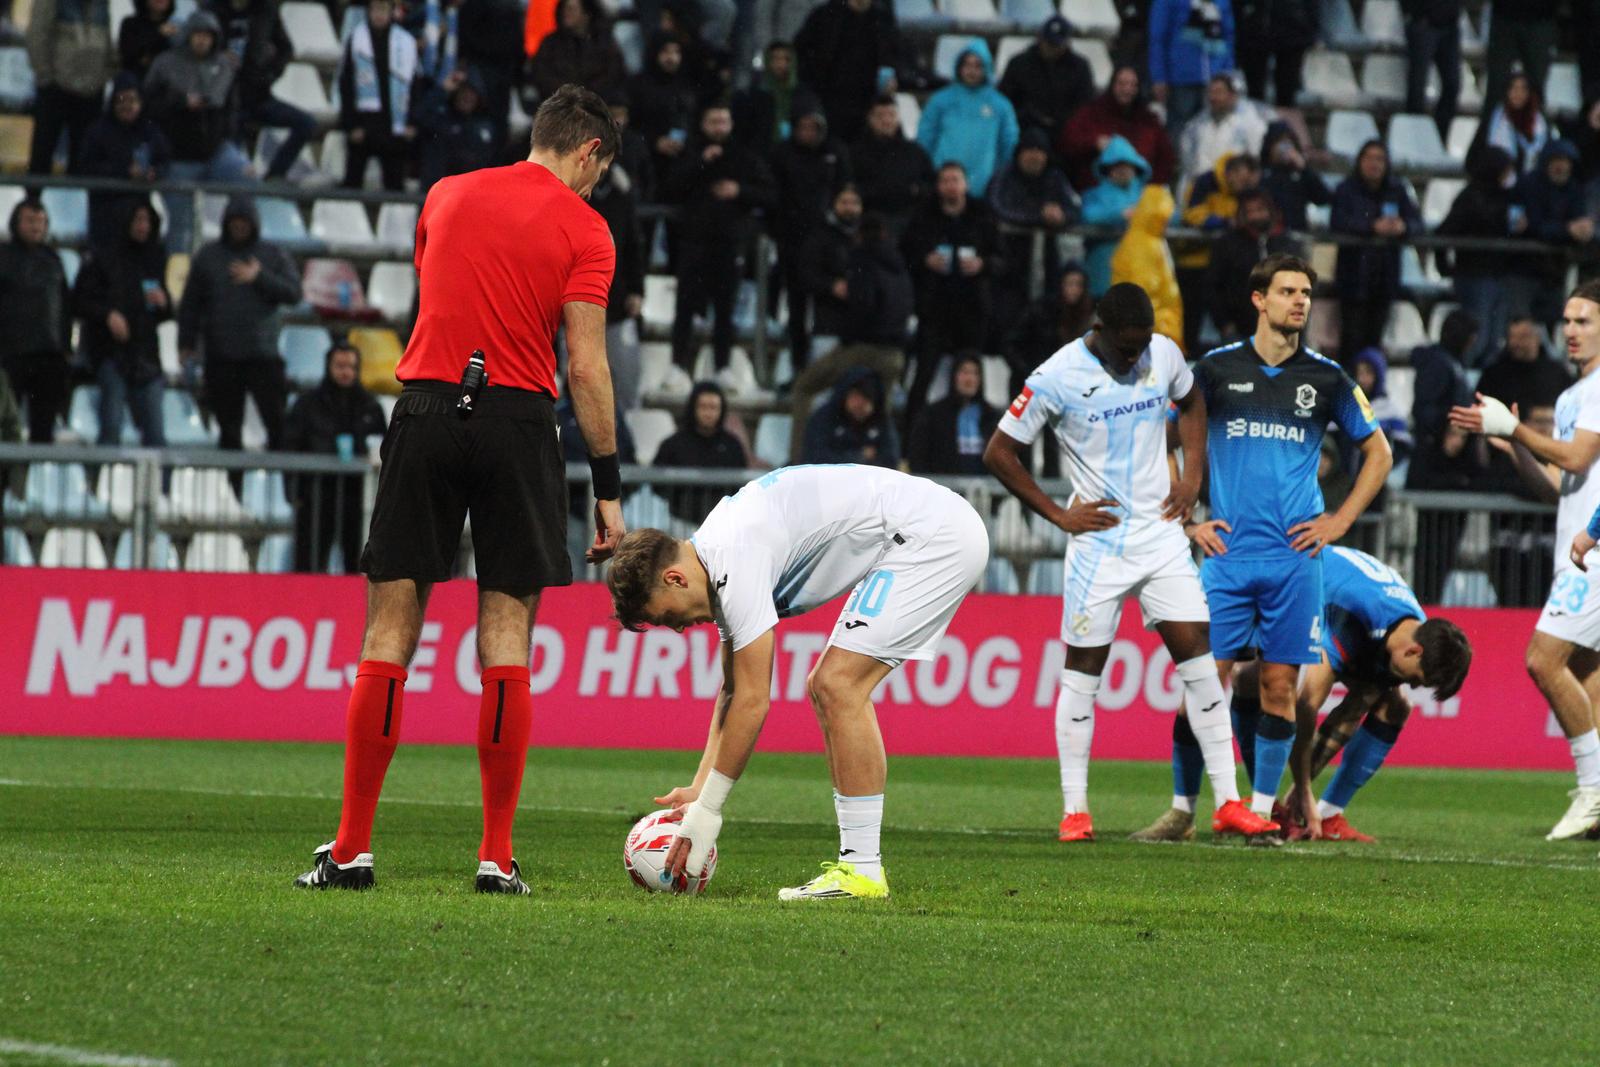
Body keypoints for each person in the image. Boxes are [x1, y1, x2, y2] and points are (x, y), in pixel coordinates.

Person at [294, 85, 626, 895]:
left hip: (429, 406)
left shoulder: (446, 194)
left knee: (388, 631)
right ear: (588, 151)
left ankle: (351, 849)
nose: (596, 189)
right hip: (519, 421)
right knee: (506, 637)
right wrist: (607, 484)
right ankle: (495, 855)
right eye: (601, 173)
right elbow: (585, 365)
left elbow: (442, 298)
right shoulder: (586, 229)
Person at [606, 463, 989, 899]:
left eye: (667, 617)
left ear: (674, 578)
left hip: (933, 535)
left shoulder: (734, 557)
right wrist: (699, 789)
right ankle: (860, 870)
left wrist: (709, 810)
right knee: (831, 686)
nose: (678, 628)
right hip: (921, 530)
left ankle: (861, 871)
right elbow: (732, 690)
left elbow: (753, 701)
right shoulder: (716, 557)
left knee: (837, 685)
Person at [984, 282, 1275, 842]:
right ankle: (1075, 811)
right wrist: (1058, 514)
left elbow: (1192, 402)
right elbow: (999, 451)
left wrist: (1191, 477)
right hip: (1100, 544)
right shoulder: (1055, 376)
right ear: (1099, 330)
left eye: (1142, 345)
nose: (1136, 356)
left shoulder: (1162, 352)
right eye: (1126, 348)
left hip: (1161, 535)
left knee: (1201, 661)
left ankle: (1228, 803)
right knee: (1083, 673)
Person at [1132, 254, 1391, 840]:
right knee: (1203, 684)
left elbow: (1379, 453)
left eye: (1306, 293)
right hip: (1227, 557)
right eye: (1288, 291)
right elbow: (1159, 436)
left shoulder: (1327, 378)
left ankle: (1262, 811)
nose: (1300, 302)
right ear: (1259, 299)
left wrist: (1340, 520)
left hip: (1295, 560)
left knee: (1279, 687)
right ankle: (1181, 811)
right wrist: (1187, 519)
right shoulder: (1214, 371)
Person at [1450, 282, 1600, 842]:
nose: (1571, 331)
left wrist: (1515, 428)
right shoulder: (1570, 397)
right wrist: (1514, 445)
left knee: (1542, 659)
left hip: (1595, 554)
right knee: (1588, 677)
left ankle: (1592, 790)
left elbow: (1578, 456)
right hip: (1575, 552)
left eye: (1584, 321)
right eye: (1567, 320)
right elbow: (1559, 484)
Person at [1231, 547, 1472, 841]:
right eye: (1417, 679)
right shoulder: (1357, 617)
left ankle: (1328, 813)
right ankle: (1265, 803)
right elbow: (1307, 705)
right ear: (1413, 651)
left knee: (1396, 705)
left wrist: (1299, 791)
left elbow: (1351, 712)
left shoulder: (1410, 633)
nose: (1413, 686)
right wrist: (1304, 789)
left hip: (1341, 594)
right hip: (1295, 581)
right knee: (1250, 679)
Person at [178, 195, 300, 456]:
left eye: (244, 222)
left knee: (278, 427)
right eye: (235, 221)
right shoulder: (208, 256)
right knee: (228, 431)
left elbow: (293, 293)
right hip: (222, 357)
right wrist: (185, 343)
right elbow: (190, 304)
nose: (239, 226)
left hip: (263, 356)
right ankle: (232, 482)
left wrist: (260, 277)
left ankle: (284, 482)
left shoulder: (272, 254)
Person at [663, 102, 775, 376]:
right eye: (714, 122)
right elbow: (669, 187)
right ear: (703, 124)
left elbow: (770, 195)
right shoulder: (689, 152)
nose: (719, 128)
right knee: (685, 308)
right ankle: (677, 366)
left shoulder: (744, 157)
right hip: (694, 242)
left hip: (729, 243)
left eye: (723, 121)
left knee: (725, 310)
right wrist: (700, 162)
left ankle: (722, 367)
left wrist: (739, 191)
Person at [899, 161, 1002, 420]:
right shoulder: (924, 215)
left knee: (971, 377)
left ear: (965, 184)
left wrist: (982, 264)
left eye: (955, 180)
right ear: (938, 186)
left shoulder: (982, 215)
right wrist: (925, 259)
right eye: (945, 181)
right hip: (934, 308)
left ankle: (974, 435)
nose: (950, 186)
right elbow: (905, 253)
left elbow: (1004, 259)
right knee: (923, 376)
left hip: (972, 309)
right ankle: (910, 438)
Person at [143, 11, 247, 251]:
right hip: (177, 155)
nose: (202, 40)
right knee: (182, 225)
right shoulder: (165, 64)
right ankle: (179, 268)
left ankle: (234, 252)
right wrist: (180, 102)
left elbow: (231, 109)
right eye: (197, 34)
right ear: (188, 35)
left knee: (246, 181)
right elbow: (148, 106)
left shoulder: (224, 66)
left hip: (215, 151)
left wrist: (227, 137)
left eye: (207, 36)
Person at [72, 200, 171, 450]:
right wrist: (108, 315)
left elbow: (163, 312)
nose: (143, 226)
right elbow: (79, 301)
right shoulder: (103, 257)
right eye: (138, 220)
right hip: (112, 355)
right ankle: (100, 475)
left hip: (147, 356)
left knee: (157, 436)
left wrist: (164, 303)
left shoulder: (155, 258)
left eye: (147, 220)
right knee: (111, 429)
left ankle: (160, 479)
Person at [283, 342, 388, 574]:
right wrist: (293, 492)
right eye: (340, 366)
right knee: (309, 565)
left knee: (358, 565)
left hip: (357, 498)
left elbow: (383, 449)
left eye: (351, 366)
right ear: (328, 366)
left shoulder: (371, 406)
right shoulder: (307, 405)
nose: (345, 372)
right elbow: (291, 446)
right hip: (315, 496)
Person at [770, 103, 853, 366]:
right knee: (797, 307)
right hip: (792, 241)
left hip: (828, 242)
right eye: (802, 127)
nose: (807, 133)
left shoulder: (836, 152)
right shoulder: (782, 154)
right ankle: (798, 366)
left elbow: (845, 189)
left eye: (812, 127)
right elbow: (774, 196)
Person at [1330, 140, 1422, 361]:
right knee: (1351, 339)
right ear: (1360, 161)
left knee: (1375, 341)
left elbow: (1417, 223)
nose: (1374, 164)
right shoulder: (1347, 189)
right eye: (1369, 158)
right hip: (1354, 278)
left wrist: (1403, 227)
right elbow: (1338, 222)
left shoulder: (1397, 190)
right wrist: (1371, 227)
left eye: (1380, 159)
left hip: (1385, 278)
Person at [208, 0, 315, 181]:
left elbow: (285, 49)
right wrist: (217, 57)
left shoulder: (266, 10)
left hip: (258, 95)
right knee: (235, 156)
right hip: (224, 100)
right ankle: (238, 182)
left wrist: (270, 74)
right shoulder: (212, 9)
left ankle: (275, 175)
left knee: (306, 124)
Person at [1435, 145, 1521, 366]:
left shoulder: (1507, 198)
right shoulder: (1471, 197)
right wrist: (1444, 266)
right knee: (1476, 338)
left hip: (1499, 275)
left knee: (1494, 341)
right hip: (1475, 276)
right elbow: (1444, 232)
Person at [72, 73, 172, 250]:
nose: (127, 106)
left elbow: (164, 161)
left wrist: (154, 172)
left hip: (139, 211)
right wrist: (124, 171)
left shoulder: (150, 131)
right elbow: (86, 168)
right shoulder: (97, 131)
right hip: (105, 211)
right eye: (121, 100)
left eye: (132, 100)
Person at [0, 200, 72, 444]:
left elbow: (65, 308)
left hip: (49, 357)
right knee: (6, 427)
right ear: (16, 223)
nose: (36, 227)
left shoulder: (53, 260)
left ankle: (35, 470)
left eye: (41, 222)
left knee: (44, 431)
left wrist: (65, 348)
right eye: (30, 221)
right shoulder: (3, 257)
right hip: (10, 356)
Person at [1177, 151, 1260, 354]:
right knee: (1192, 319)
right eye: (1242, 180)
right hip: (1194, 262)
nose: (1244, 186)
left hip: (1223, 266)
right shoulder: (1205, 183)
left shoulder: (1243, 193)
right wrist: (1223, 222)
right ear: (1231, 173)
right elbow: (1192, 214)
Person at [916, 39, 1018, 201]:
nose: (972, 71)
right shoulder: (940, 100)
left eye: (978, 66)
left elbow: (1008, 144)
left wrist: (999, 177)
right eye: (967, 65)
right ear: (959, 67)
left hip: (984, 184)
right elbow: (926, 137)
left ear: (986, 68)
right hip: (944, 181)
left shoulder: (1000, 105)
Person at [336, 0, 419, 191]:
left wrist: (411, 121)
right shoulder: (356, 39)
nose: (379, 14)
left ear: (391, 12)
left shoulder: (405, 42)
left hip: (395, 124)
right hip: (364, 122)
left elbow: (415, 85)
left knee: (395, 185)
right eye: (375, 9)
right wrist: (351, 124)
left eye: (384, 9)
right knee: (352, 183)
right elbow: (346, 84)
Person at [25, 0, 115, 174]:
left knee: (83, 160)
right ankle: (35, 192)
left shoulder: (102, 4)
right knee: (42, 155)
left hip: (91, 89)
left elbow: (107, 40)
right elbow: (37, 35)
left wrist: (102, 76)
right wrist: (46, 77)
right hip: (55, 87)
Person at [794, 0, 902, 143]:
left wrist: (894, 77)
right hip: (830, 102)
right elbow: (801, 54)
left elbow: (898, 55)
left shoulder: (883, 18)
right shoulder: (824, 16)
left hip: (870, 102)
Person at [1058, 65, 1176, 192]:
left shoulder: (1148, 120)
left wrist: (1151, 186)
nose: (1127, 89)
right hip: (1097, 192)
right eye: (1122, 84)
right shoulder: (1091, 114)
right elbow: (1068, 142)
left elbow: (1166, 156)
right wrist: (1094, 143)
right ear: (1112, 85)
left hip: (1141, 191)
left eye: (1133, 85)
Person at [588, 164, 645, 411]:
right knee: (576, 378)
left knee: (624, 378)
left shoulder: (622, 192)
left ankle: (624, 426)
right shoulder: (571, 190)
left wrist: (637, 290)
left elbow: (633, 244)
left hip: (617, 301)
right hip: (576, 305)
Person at [1521, 139, 1594, 329]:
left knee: (1553, 323)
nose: (1560, 166)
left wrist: (1583, 230)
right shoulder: (1530, 185)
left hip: (1555, 271)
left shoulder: (1574, 188)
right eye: (1556, 161)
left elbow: (1579, 220)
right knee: (1522, 323)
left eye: (1565, 161)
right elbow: (1533, 226)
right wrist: (1567, 230)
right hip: (1524, 269)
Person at [653, 381, 749, 523]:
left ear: (722, 410)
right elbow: (657, 482)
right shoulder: (673, 444)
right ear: (693, 408)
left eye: (713, 407)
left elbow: (741, 484)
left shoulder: (733, 445)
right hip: (681, 522)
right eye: (703, 407)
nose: (708, 413)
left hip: (723, 523)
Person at [1206, 189, 1296, 342]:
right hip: (1239, 329)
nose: (1256, 216)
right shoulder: (1227, 244)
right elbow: (1213, 286)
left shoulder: (1285, 244)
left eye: (1260, 210)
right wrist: (1223, 323)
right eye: (1250, 212)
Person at [848, 94, 934, 239]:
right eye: (880, 115)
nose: (886, 120)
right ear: (870, 118)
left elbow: (931, 183)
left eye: (891, 115)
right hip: (870, 222)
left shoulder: (914, 152)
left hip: (910, 222)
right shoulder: (855, 153)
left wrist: (917, 190)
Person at [1005, 264, 1095, 401]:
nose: (1074, 290)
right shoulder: (1040, 312)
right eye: (1069, 284)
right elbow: (1011, 344)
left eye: (1078, 285)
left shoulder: (1087, 317)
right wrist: (1029, 372)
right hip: (1031, 387)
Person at [997, 15, 1095, 140]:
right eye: (1048, 42)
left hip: (1065, 132)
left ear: (1067, 43)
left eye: (1056, 45)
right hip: (1025, 130)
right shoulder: (1019, 64)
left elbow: (1084, 106)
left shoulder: (1080, 67)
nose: (1051, 48)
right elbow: (1005, 102)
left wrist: (1059, 121)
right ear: (1040, 38)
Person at [1111, 185, 1184, 348]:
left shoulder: (1152, 240)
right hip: (1150, 335)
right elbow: (1144, 295)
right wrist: (1162, 330)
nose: (1166, 221)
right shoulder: (1142, 245)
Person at [1147, 0, 1235, 134]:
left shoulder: (1222, 2)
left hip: (1215, 78)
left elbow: (1228, 36)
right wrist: (1159, 76)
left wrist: (1227, 73)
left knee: (1215, 130)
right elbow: (1158, 37)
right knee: (1180, 132)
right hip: (1181, 78)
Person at [906, 353, 999, 476]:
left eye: (975, 373)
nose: (969, 379)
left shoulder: (991, 415)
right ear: (954, 376)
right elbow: (918, 456)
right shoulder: (933, 415)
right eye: (964, 372)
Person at [1080, 135, 1150, 298]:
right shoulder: (1094, 194)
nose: (1123, 170)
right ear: (1107, 168)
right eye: (1117, 165)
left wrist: (1146, 215)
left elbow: (1172, 215)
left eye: (1127, 165)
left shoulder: (1147, 195)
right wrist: (1120, 215)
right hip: (1103, 275)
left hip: (1139, 276)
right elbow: (1088, 216)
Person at [795, 183, 864, 346]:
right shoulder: (820, 236)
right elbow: (805, 274)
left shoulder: (869, 238)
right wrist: (831, 286)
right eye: (844, 202)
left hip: (863, 330)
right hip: (827, 326)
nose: (849, 208)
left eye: (854, 203)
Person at [1177, 73, 1267, 195]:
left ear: (1232, 96)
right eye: (1211, 92)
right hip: (1202, 191)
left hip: (1235, 192)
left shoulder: (1251, 124)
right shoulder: (1195, 126)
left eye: (1219, 92)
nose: (1213, 97)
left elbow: (1255, 161)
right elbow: (1187, 163)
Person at [628, 34, 699, 188]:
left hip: (680, 159)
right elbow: (631, 124)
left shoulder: (686, 85)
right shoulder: (638, 86)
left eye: (676, 52)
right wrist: (654, 141)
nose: (671, 58)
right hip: (646, 157)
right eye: (666, 51)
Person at [416, 65, 497, 192]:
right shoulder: (441, 119)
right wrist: (442, 90)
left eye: (472, 94)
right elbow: (419, 117)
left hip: (471, 192)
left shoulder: (485, 127)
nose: (467, 98)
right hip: (440, 191)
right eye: (463, 92)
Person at [800, 365, 899, 466]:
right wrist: (858, 457)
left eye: (866, 398)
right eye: (855, 396)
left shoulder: (881, 421)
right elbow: (814, 457)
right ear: (844, 395)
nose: (859, 403)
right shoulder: (824, 417)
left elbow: (891, 460)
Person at [529, 0, 625, 102]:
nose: (566, 13)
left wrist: (588, 94)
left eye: (571, 9)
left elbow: (613, 73)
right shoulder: (549, 43)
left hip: (599, 102)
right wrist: (569, 94)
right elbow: (542, 75)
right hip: (559, 104)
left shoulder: (603, 42)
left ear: (586, 14)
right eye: (564, 8)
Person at [1476, 315, 1575, 413]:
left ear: (1537, 338)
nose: (1516, 343)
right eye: (1512, 337)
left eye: (1523, 337)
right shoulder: (1494, 375)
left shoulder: (1556, 373)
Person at [1233, 0, 1315, 108]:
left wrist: (1310, 30)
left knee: (1287, 87)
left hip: (1293, 34)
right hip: (1254, 34)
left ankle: (1284, 115)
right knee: (1255, 88)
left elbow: (1313, 6)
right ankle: (1255, 115)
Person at [1484, 0, 1557, 116]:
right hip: (1504, 15)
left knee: (1536, 90)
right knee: (1496, 87)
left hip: (1541, 16)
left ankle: (1537, 126)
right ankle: (1492, 125)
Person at [1403, 0, 1462, 136]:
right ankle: (1415, 134)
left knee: (1453, 84)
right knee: (1417, 87)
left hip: (1450, 25)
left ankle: (1439, 136)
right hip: (1423, 23)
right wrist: (1416, 13)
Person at [1258, 122, 1328, 234]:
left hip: (1297, 232)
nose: (1285, 148)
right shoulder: (1261, 173)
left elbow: (1323, 198)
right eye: (1280, 142)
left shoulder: (1301, 173)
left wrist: (1304, 169)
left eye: (1288, 142)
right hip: (1269, 233)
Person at [731, 39, 800, 150]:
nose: (781, 64)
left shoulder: (799, 92)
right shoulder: (753, 93)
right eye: (775, 59)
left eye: (786, 59)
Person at [1349, 347, 1413, 461]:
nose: (1362, 379)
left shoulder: (1391, 412)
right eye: (1359, 373)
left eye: (1368, 373)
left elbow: (1402, 449)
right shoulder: (1347, 408)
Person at [1485, 72, 1552, 176]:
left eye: (1523, 89)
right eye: (1513, 88)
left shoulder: (1539, 121)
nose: (1518, 93)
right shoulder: (1497, 118)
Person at [118, 0, 178, 80]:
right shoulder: (131, 24)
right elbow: (130, 56)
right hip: (138, 79)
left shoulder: (176, 25)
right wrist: (158, 34)